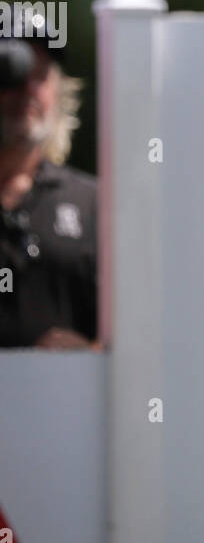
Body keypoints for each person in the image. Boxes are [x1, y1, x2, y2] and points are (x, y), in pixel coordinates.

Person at [0, 18, 99, 350]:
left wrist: (88, 358)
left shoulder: (96, 206)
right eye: (11, 71)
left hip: (63, 401)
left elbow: (140, 333)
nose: (28, 88)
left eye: (41, 74)